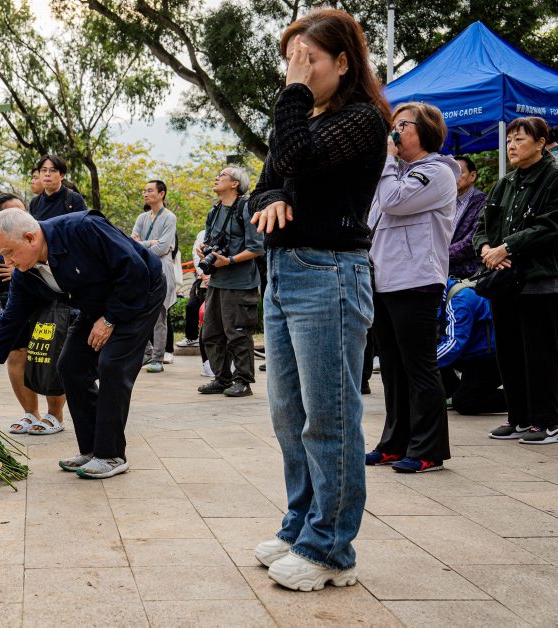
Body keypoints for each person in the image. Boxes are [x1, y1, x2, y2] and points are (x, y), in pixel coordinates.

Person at [248, 9, 390, 590]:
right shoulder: (303, 119)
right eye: (290, 61)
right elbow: (266, 182)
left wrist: (293, 92)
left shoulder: (363, 119)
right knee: (288, 415)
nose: (296, 71)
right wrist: (274, 196)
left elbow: (297, 159)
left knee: (329, 418)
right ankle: (301, 525)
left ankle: (331, 549)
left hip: (330, 272)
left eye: (306, 59)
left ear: (343, 62)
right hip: (284, 273)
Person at [0, 208, 165, 480]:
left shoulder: (82, 228)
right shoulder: (25, 275)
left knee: (112, 364)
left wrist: (110, 319)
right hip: (95, 304)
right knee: (70, 366)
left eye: (9, 253)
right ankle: (91, 449)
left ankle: (111, 455)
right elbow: (9, 322)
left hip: (140, 291)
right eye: (2, 255)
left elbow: (134, 269)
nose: (7, 261)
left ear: (30, 238)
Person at [366, 102, 458, 474]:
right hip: (384, 281)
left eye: (403, 124)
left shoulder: (437, 171)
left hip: (417, 280)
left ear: (426, 131)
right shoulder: (394, 173)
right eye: (394, 124)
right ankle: (394, 443)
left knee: (419, 366)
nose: (395, 130)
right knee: (391, 367)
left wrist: (387, 160)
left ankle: (428, 450)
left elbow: (393, 202)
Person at [474, 116, 558, 445]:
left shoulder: (553, 177)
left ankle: (547, 421)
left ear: (541, 143)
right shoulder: (505, 182)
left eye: (520, 139)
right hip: (504, 280)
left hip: (540, 279)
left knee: (540, 354)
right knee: (508, 352)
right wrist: (486, 248)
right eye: (509, 140)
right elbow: (483, 223)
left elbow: (550, 226)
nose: (511, 146)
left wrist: (508, 246)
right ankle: (518, 418)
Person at [0, 193, 67, 435]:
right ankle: (31, 412)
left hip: (50, 308)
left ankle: (55, 414)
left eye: (22, 212)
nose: (18, 218)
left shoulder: (40, 237)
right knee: (16, 353)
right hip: (14, 311)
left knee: (50, 353)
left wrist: (22, 268)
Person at [197, 166, 264, 398]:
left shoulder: (246, 208)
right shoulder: (214, 210)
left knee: (237, 333)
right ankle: (222, 378)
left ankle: (243, 381)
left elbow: (257, 248)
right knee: (211, 333)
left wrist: (230, 260)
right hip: (217, 282)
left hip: (240, 283)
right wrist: (204, 249)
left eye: (222, 175)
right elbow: (210, 241)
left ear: (235, 183)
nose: (217, 178)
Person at [437, 278, 505, 415]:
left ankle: (525, 399)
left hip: (491, 358)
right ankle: (455, 390)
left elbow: (454, 343)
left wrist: (422, 364)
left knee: (464, 402)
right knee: (426, 351)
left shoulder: (459, 300)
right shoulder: (441, 295)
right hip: (472, 353)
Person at [132, 181, 177, 373]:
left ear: (162, 194)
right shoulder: (142, 217)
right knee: (138, 313)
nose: (145, 193)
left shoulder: (169, 217)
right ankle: (147, 352)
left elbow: (163, 248)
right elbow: (132, 243)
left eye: (150, 190)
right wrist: (151, 242)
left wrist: (143, 244)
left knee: (159, 316)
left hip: (162, 270)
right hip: (143, 270)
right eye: (144, 190)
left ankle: (158, 357)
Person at [448, 155, 487, 279]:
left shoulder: (483, 202)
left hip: (467, 273)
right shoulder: (444, 202)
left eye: (459, 172)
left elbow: (472, 241)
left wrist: (439, 256)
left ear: (472, 176)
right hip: (440, 268)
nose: (454, 177)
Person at [30, 155, 87, 220]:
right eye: (44, 170)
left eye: (52, 170)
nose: (47, 174)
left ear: (61, 176)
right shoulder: (35, 203)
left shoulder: (74, 199)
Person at [178, 228, 207, 349]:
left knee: (208, 312)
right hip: (201, 278)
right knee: (191, 306)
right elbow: (196, 256)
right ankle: (192, 337)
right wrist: (204, 276)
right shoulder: (202, 234)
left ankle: (207, 338)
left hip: (217, 277)